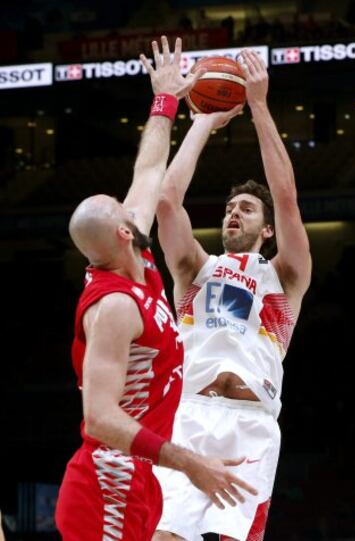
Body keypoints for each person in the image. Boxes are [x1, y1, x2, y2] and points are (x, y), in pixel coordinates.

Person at [55, 37, 257, 541]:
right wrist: (189, 462)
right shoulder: (115, 307)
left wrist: (166, 100)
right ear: (125, 231)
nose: (132, 204)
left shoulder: (132, 252)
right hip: (108, 480)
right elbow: (99, 418)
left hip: (139, 479)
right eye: (124, 208)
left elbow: (148, 172)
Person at [153, 49, 312, 541]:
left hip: (251, 425)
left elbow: (285, 197)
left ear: (266, 230)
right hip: (189, 418)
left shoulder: (284, 276)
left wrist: (259, 106)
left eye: (245, 208)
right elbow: (164, 202)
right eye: (228, 208)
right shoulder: (195, 268)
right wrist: (200, 120)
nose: (233, 214)